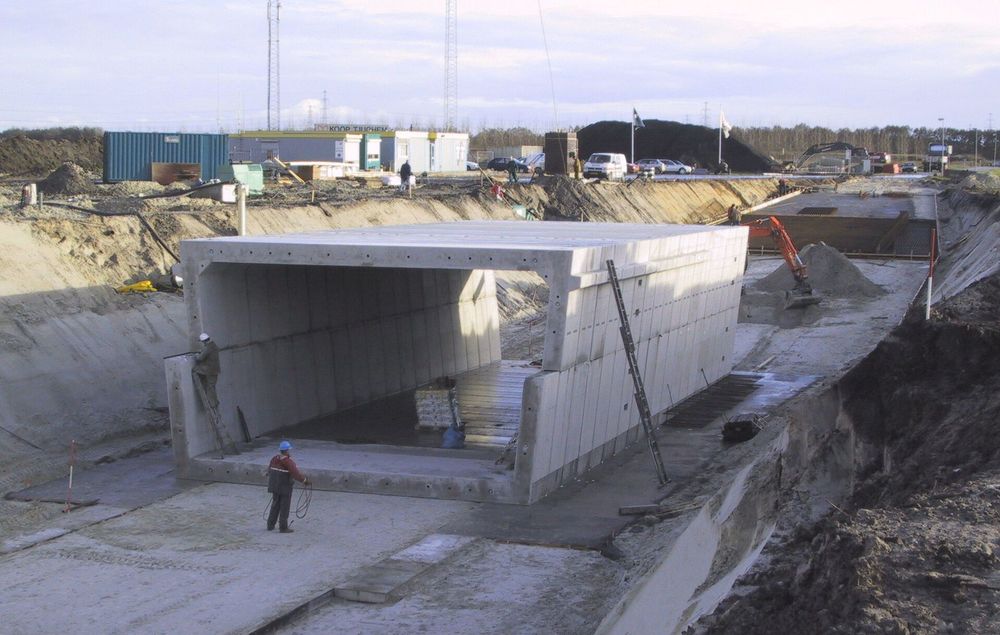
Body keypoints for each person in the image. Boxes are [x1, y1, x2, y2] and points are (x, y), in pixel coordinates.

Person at [267, 440, 309, 533]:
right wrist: (305, 481)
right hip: (285, 488)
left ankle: (270, 525)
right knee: (284, 507)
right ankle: (283, 527)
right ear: (287, 451)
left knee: (275, 505)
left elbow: (269, 470)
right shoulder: (288, 462)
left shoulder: (274, 458)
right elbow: (296, 474)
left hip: (274, 487)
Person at [193, 333, 220, 410]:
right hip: (215, 370)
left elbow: (199, 358)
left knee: (210, 387)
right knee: (212, 386)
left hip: (209, 370)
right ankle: (214, 403)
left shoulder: (208, 348)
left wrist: (196, 355)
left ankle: (213, 404)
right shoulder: (213, 345)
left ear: (204, 341)